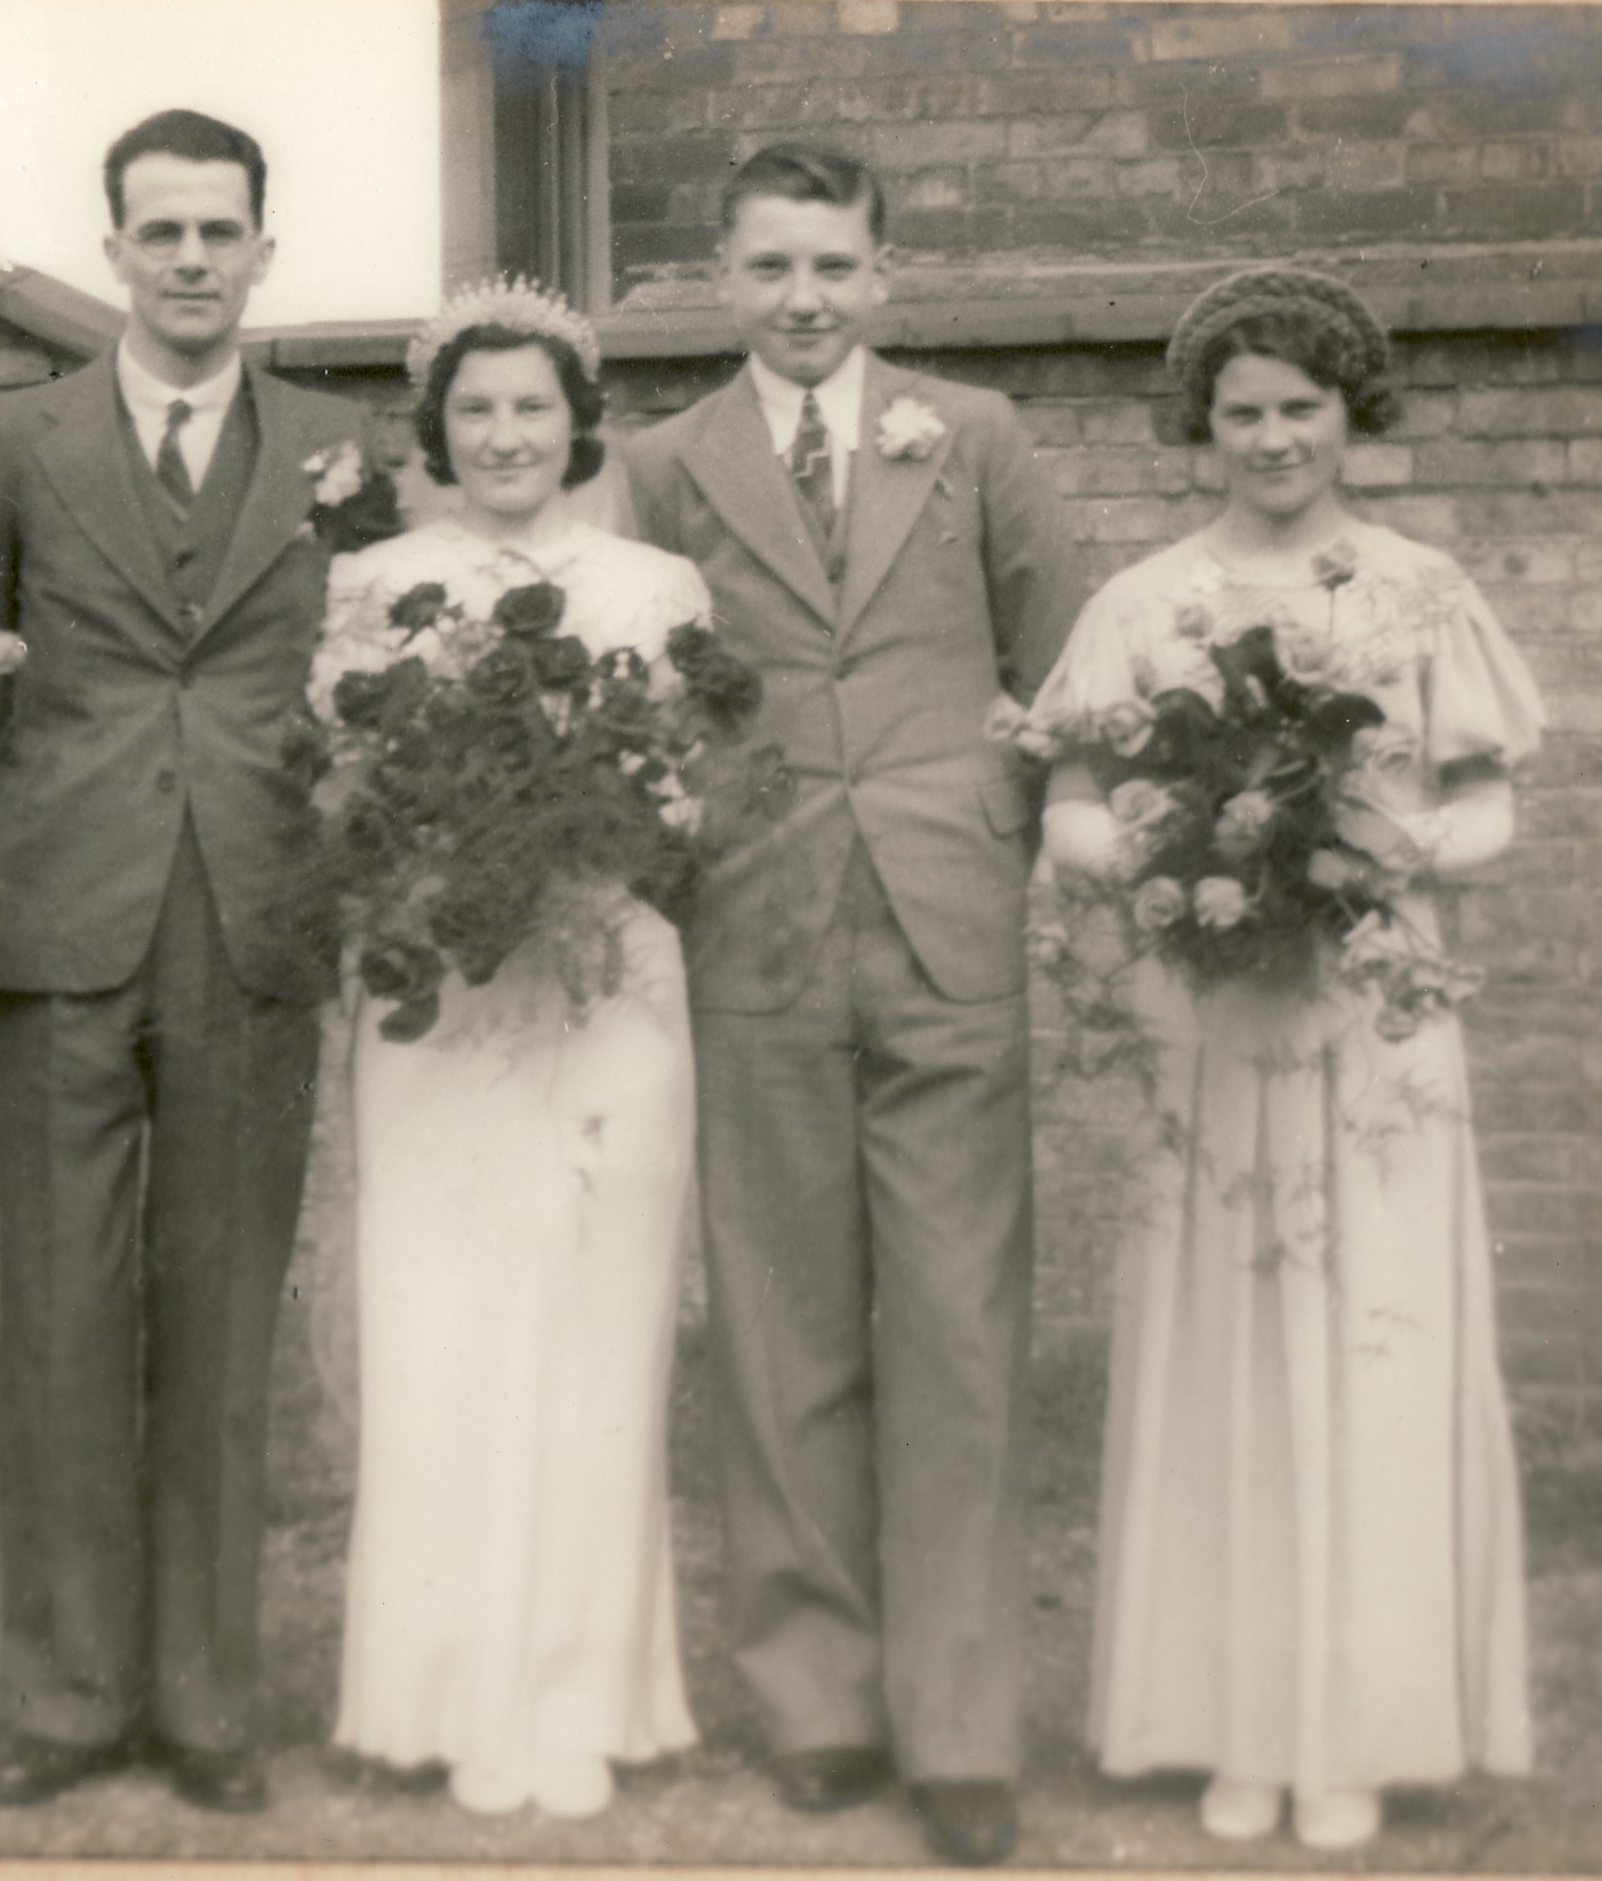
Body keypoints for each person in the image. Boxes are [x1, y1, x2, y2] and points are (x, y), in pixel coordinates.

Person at [1030, 265, 1541, 1852]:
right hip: (1216, 1022)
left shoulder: (1415, 589)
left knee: (1373, 1336)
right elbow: (1065, 812)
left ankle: (1356, 1736)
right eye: (1241, 412)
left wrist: (1386, 850)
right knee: (1225, 1344)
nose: (1270, 438)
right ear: (1204, 422)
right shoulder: (1145, 601)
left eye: (1300, 408)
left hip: (1374, 1020)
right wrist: (1161, 854)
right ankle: (1229, 1724)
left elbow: (1493, 806)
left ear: (1348, 414)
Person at [625, 143, 1083, 1866]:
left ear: (884, 274)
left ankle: (962, 1721)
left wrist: (989, 836)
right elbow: (636, 699)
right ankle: (818, 1694)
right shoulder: (662, 467)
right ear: (721, 282)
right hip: (755, 930)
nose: (802, 300)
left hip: (946, 924)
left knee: (960, 1328)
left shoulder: (977, 440)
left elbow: (1069, 663)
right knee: (782, 1324)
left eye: (832, 266)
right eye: (769, 270)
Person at [0, 110, 375, 1816]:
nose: (191, 260)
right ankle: (65, 1692)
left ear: (266, 248)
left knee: (217, 1315)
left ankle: (202, 1697)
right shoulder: (15, 436)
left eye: (221, 231)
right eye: (161, 231)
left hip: (255, 919)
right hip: (62, 914)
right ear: (113, 247)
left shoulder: (343, 448)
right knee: (58, 1310)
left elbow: (382, 675)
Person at [318, 283, 704, 1820]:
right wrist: (435, 825)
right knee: (447, 1321)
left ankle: (577, 1698)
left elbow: (695, 794)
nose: (503, 435)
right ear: (437, 431)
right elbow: (336, 794)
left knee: (599, 1330)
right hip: (440, 992)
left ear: (577, 421)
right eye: (473, 409)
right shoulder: (372, 586)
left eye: (532, 406)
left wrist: (597, 812)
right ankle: (442, 1693)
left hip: (608, 982)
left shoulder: (659, 583)